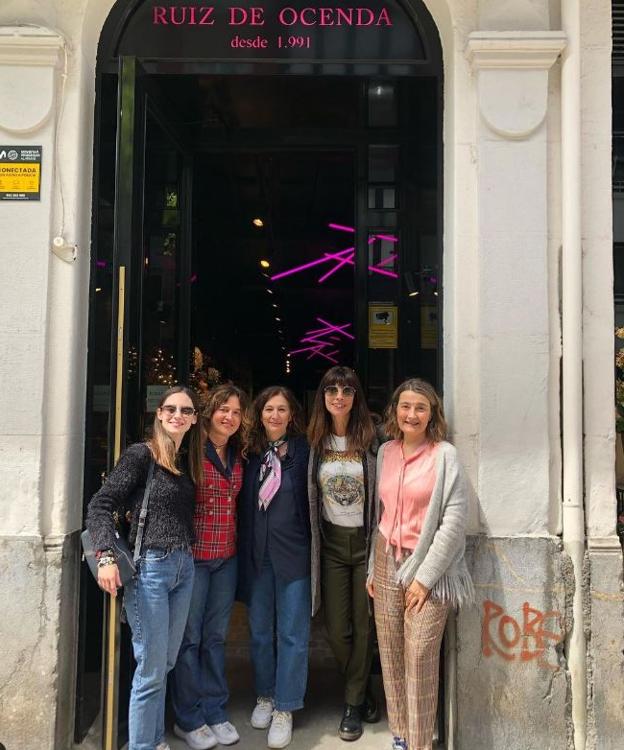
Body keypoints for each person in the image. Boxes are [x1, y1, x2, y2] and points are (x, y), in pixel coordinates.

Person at [86, 385, 203, 750]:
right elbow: (100, 504)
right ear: (159, 414)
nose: (177, 416)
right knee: (150, 671)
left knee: (165, 662)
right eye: (170, 409)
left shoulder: (186, 461)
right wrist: (105, 555)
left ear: (194, 419)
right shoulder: (142, 455)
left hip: (184, 566)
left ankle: (153, 740)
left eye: (185, 410)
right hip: (151, 568)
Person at [367, 379, 474, 750]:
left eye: (421, 408)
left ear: (432, 414)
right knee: (391, 650)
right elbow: (381, 514)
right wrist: (371, 569)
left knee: (420, 655)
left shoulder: (444, 455)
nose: (412, 414)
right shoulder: (386, 452)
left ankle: (420, 742)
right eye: (405, 406)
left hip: (429, 566)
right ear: (395, 410)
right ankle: (400, 735)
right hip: (385, 557)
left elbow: (454, 522)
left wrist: (425, 579)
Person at [171, 384, 249, 750]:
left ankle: (216, 710)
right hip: (194, 558)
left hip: (226, 558)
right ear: (209, 412)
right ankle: (188, 717)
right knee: (190, 640)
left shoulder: (238, 453)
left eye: (236, 412)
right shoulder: (188, 451)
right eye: (223, 410)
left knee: (216, 638)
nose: (229, 417)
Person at [307, 366, 379, 741]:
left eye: (347, 390)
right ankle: (363, 690)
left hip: (366, 543)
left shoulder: (372, 440)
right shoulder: (315, 443)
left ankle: (352, 704)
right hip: (332, 544)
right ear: (323, 396)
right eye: (332, 389)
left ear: (356, 397)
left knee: (365, 627)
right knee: (337, 630)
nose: (339, 396)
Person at [237, 386, 311, 749]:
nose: (275, 416)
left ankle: (285, 705)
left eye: (282, 409)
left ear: (291, 415)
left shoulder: (303, 452)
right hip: (258, 557)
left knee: (293, 634)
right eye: (269, 409)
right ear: (260, 413)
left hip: (294, 555)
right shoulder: (249, 453)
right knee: (260, 632)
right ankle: (265, 695)